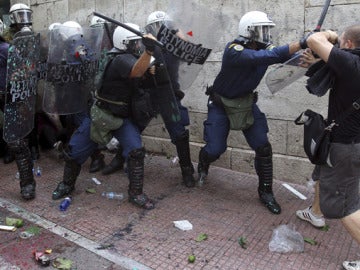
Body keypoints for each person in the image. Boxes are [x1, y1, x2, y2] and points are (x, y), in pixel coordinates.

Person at [197, 11, 303, 214]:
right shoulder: (234, 50)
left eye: (267, 30)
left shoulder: (265, 48)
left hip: (245, 104)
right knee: (215, 148)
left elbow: (285, 56)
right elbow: (269, 56)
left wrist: (308, 54)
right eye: (261, 30)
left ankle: (266, 192)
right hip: (221, 104)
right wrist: (303, 42)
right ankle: (203, 163)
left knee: (263, 147)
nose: (266, 34)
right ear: (248, 31)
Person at [51, 23, 157, 210]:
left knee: (135, 151)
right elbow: (135, 71)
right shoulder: (120, 59)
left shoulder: (130, 57)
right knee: (74, 151)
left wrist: (151, 69)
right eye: (136, 43)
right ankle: (67, 184)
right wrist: (149, 51)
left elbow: (142, 77)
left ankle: (136, 194)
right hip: (102, 116)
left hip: (122, 118)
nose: (138, 46)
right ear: (125, 43)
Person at [300, 25, 360, 270]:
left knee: (344, 207)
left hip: (345, 146)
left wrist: (332, 35)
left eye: (341, 43)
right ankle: (315, 212)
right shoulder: (350, 66)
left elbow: (314, 39)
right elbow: (332, 75)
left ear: (347, 45)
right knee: (323, 174)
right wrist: (315, 62)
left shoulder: (352, 64)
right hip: (351, 142)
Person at [1, 3, 37, 199]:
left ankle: (28, 183)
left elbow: (26, 70)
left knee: (17, 142)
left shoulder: (10, 47)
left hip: (10, 98)